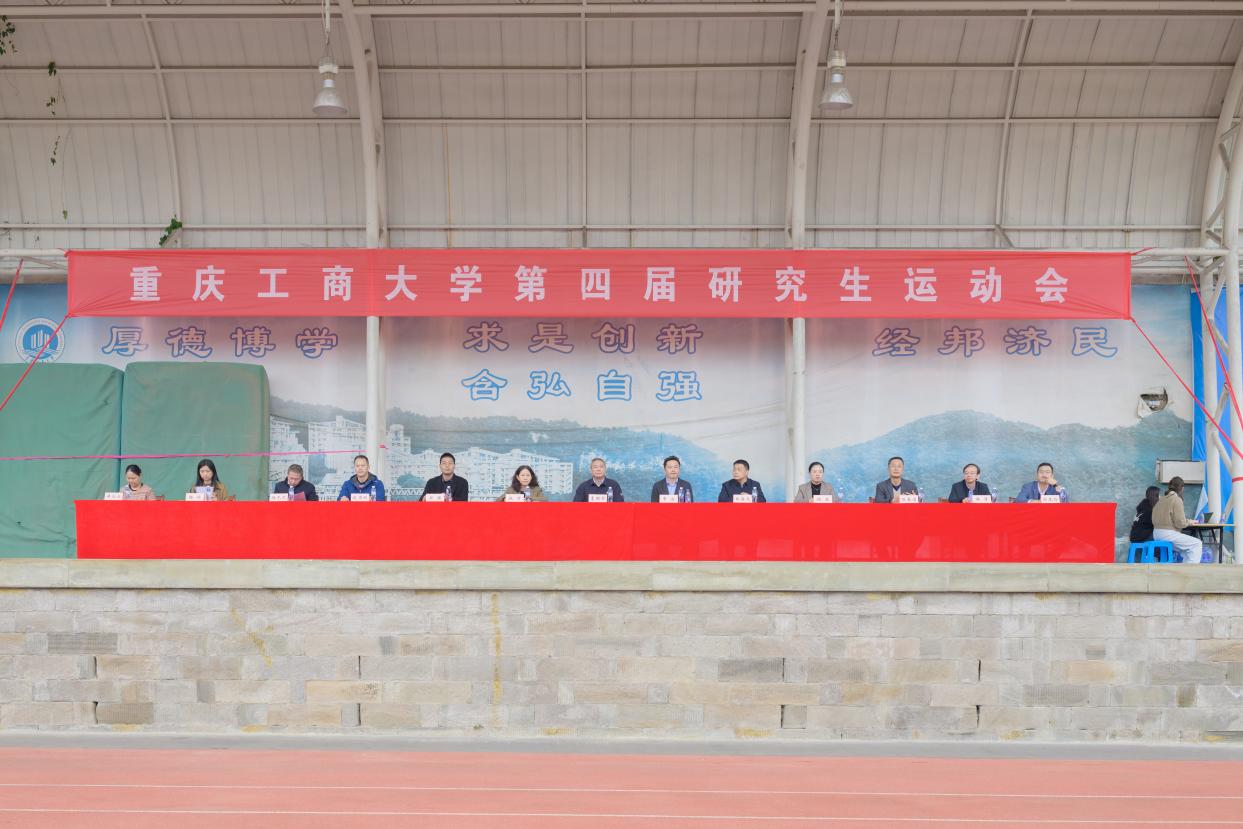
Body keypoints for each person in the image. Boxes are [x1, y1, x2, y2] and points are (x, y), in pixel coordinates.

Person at [1152, 476, 1204, 564]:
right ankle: (1191, 571)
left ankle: (1184, 570)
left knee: (1186, 549)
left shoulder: (1160, 500)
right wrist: (1190, 522)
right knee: (1197, 544)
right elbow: (1180, 523)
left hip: (1156, 534)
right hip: (1167, 534)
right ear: (1182, 488)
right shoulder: (1176, 499)